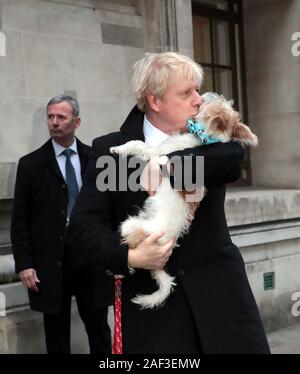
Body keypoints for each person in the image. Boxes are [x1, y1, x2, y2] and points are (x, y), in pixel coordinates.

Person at [67, 53, 271, 354]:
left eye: (197, 90)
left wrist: (165, 165)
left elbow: (232, 159)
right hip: (156, 316)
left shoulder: (210, 139)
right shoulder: (111, 151)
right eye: (186, 92)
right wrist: (131, 257)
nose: (198, 100)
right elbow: (82, 229)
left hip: (224, 306)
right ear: (155, 101)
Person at [11, 95, 112, 354]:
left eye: (61, 117)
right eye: (50, 117)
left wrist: (114, 253)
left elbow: (110, 210)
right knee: (56, 332)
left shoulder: (95, 159)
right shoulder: (30, 164)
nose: (54, 123)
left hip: (90, 256)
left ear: (77, 121)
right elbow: (20, 219)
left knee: (99, 328)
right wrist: (24, 263)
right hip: (50, 261)